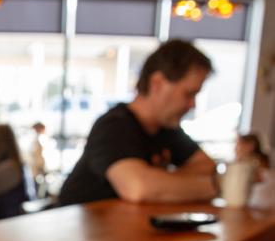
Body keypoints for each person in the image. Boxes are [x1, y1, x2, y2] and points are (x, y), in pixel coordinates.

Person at [58, 39, 219, 206]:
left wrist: (159, 182)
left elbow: (209, 169)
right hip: (78, 230)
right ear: (157, 83)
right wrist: (215, 186)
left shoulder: (167, 130)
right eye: (188, 94)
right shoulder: (113, 126)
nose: (192, 104)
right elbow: (138, 188)